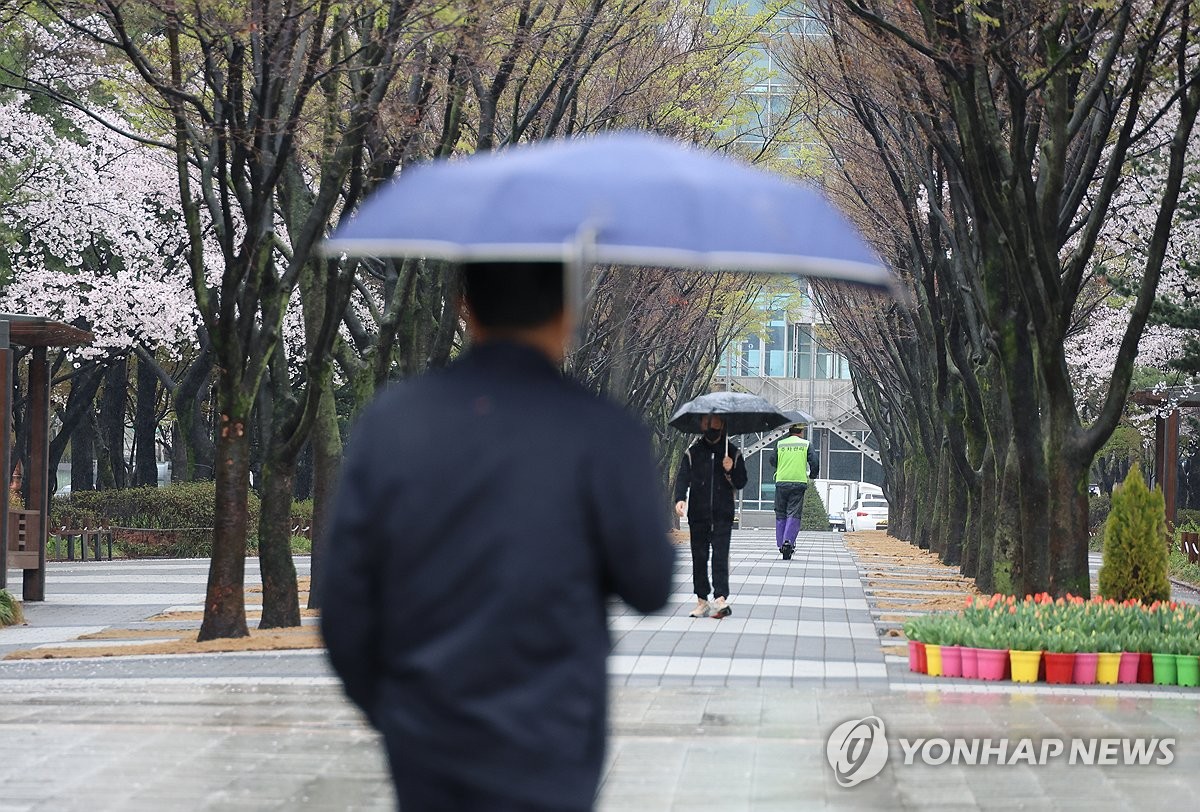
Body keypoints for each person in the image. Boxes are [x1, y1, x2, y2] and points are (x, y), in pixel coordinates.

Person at [320, 261, 675, 812]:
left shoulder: (392, 421)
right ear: (567, 313)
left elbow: (343, 600)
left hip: (425, 732)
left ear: (468, 308)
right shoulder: (603, 432)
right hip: (553, 730)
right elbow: (649, 584)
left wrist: (392, 707)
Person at [673, 414, 748, 618]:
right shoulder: (693, 452)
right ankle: (701, 600)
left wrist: (731, 469)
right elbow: (683, 477)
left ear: (722, 423)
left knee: (720, 556)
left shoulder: (732, 452)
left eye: (712, 420)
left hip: (723, 513)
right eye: (705, 421)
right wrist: (680, 498)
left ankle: (720, 599)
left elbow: (741, 482)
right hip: (698, 514)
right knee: (699, 557)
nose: (708, 425)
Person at [769, 423, 819, 560]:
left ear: (790, 431)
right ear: (801, 432)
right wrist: (813, 475)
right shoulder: (806, 444)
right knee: (794, 513)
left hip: (782, 482)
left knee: (780, 513)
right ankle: (788, 541)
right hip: (798, 483)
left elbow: (772, 461)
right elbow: (814, 462)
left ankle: (780, 544)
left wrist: (783, 465)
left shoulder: (780, 444)